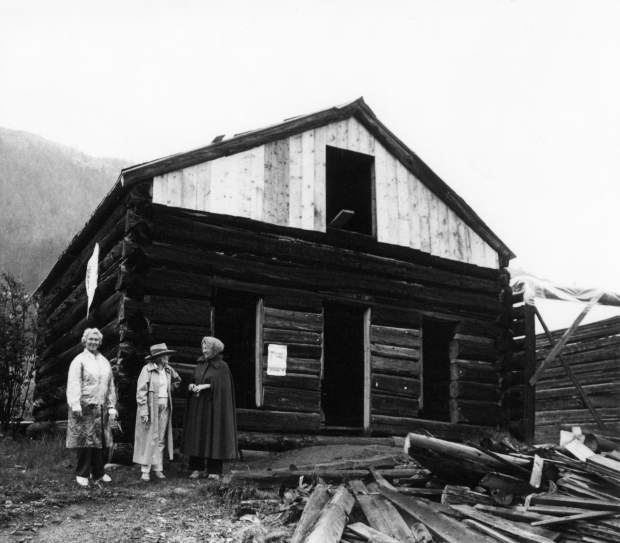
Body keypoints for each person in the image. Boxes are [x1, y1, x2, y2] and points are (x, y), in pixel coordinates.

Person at [66, 327, 118, 487]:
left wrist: (111, 406)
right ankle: (82, 473)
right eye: (91, 339)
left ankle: (98, 473)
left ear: (100, 342)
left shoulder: (104, 361)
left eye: (96, 340)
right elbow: (74, 382)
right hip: (84, 406)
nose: (93, 342)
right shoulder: (79, 360)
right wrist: (75, 404)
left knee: (99, 442)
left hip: (100, 407)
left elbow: (110, 385)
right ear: (85, 340)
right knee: (85, 440)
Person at [183, 336, 239, 479]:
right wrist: (192, 385)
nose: (204, 351)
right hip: (199, 407)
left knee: (215, 435)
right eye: (203, 348)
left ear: (215, 350)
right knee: (198, 435)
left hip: (215, 409)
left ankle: (214, 470)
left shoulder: (222, 367)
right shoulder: (200, 364)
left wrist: (207, 386)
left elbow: (224, 388)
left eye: (207, 349)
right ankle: (197, 468)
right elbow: (194, 379)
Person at [132, 343, 181, 481]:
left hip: (165, 406)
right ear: (158, 357)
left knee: (160, 439)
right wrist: (144, 411)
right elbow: (141, 392)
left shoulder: (168, 370)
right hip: (151, 407)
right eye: (165, 355)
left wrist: (172, 387)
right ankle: (145, 470)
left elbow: (177, 380)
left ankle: (158, 468)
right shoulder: (147, 370)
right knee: (149, 439)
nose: (168, 357)